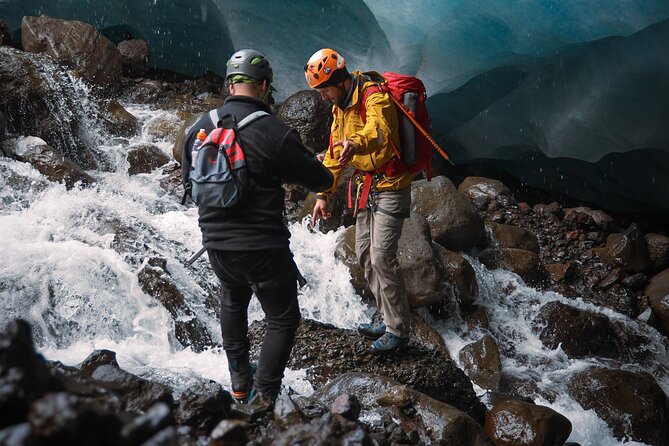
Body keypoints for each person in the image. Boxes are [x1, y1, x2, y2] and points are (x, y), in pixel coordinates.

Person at [182, 49, 333, 404]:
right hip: (263, 247)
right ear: (265, 86)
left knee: (233, 300)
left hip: (216, 245)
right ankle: (264, 397)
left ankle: (239, 382)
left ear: (229, 84)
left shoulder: (199, 127)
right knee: (282, 317)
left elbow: (189, 183)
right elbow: (319, 179)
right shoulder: (273, 131)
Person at [305, 48, 412, 353]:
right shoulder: (340, 107)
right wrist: (324, 194)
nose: (324, 97)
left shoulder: (373, 95)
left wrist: (356, 142)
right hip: (368, 186)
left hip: (391, 185)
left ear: (339, 80)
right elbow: (335, 154)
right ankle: (385, 314)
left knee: (382, 256)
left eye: (325, 89)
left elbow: (379, 130)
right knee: (364, 254)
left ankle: (398, 330)